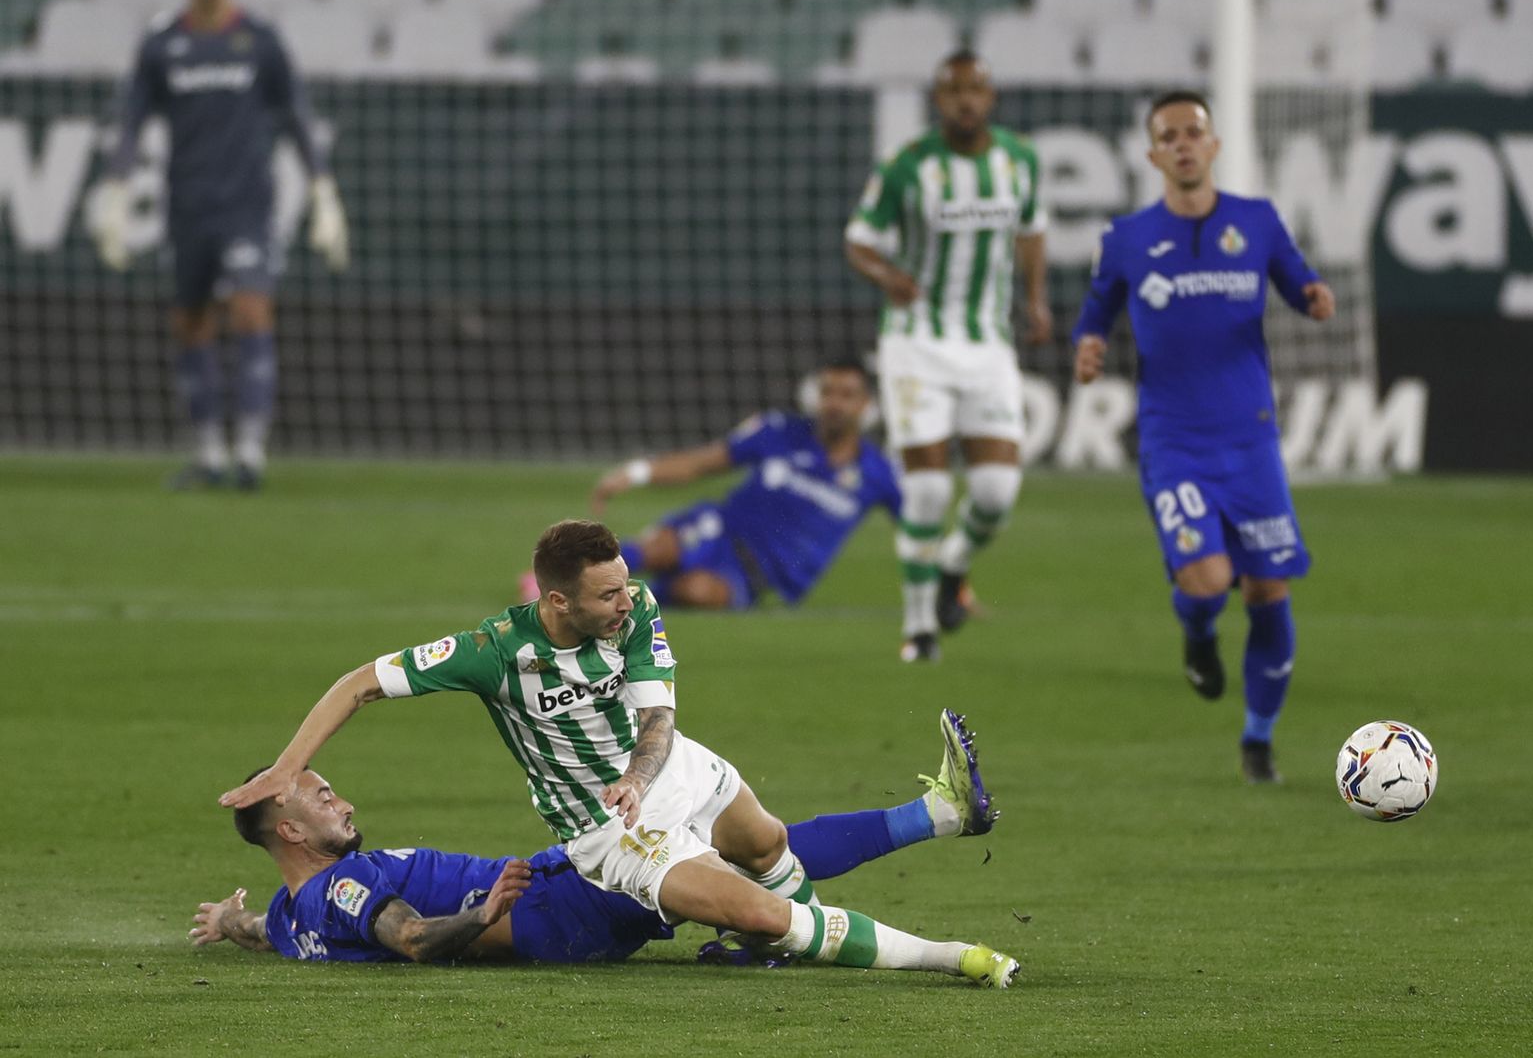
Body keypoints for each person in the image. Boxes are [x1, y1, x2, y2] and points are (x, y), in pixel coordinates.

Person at [220, 520, 1020, 987]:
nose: (627, 600)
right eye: (609, 592)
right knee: (757, 907)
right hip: (606, 830)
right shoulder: (493, 652)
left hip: (660, 770)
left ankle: (926, 826)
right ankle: (948, 954)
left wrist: (639, 776)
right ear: (556, 600)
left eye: (628, 583)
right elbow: (359, 681)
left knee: (768, 843)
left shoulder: (635, 613)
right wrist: (287, 768)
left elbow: (658, 719)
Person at [192, 717, 995, 966]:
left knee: (735, 850)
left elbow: (275, 931)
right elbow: (407, 937)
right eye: (320, 793)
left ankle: (938, 816)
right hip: (555, 910)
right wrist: (481, 913)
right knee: (730, 855)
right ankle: (938, 834)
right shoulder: (343, 887)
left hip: (553, 893)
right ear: (288, 828)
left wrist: (228, 924)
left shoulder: (295, 910)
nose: (342, 797)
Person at [1070, 90, 1336, 785]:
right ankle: (1196, 631)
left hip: (1249, 439)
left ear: (1213, 145)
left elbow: (1298, 280)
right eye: (1170, 135)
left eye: (1195, 131)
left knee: (1269, 587)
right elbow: (1096, 308)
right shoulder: (1128, 237)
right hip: (1174, 440)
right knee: (1211, 579)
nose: (1185, 143)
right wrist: (1089, 345)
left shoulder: (1257, 221)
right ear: (1154, 154)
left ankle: (1258, 737)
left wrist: (1314, 296)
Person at [93, 0, 349, 490]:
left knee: (251, 310)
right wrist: (115, 190)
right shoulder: (163, 43)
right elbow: (133, 120)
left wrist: (322, 188)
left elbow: (297, 115)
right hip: (186, 206)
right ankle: (210, 454)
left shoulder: (259, 41)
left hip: (247, 207)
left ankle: (251, 452)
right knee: (190, 322)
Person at [844, 50, 1051, 663]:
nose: (966, 101)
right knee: (929, 492)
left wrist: (1036, 300)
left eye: (976, 90)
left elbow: (1032, 230)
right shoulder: (908, 167)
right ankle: (919, 631)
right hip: (916, 343)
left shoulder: (1020, 161)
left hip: (987, 342)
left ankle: (952, 568)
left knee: (995, 492)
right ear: (939, 100)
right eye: (954, 91)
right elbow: (858, 240)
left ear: (990, 97)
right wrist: (889, 278)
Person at [579, 357, 901, 610]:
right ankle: (561, 585)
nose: (834, 403)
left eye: (846, 395)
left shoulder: (878, 472)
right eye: (827, 392)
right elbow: (700, 462)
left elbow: (916, 525)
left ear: (866, 405)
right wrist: (635, 473)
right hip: (718, 529)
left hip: (758, 577)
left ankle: (604, 605)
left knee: (697, 591)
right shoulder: (779, 431)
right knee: (656, 549)